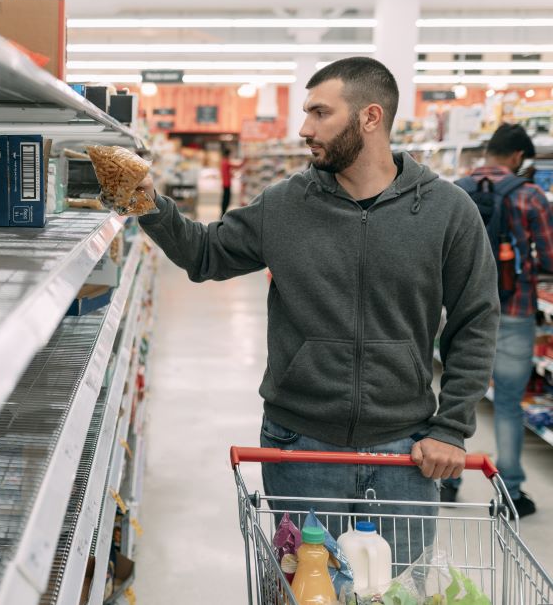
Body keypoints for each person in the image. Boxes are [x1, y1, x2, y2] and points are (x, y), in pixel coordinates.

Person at [135, 57, 499, 567]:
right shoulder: (286, 203)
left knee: (395, 595)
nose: (305, 129)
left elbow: (475, 319)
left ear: (370, 117)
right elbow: (204, 254)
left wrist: (451, 427)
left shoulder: (447, 210)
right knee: (302, 590)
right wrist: (147, 201)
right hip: (300, 442)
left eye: (319, 113)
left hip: (405, 449)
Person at [441, 123, 552, 517]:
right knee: (507, 402)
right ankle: (511, 495)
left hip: (459, 313)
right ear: (520, 157)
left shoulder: (452, 191)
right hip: (514, 311)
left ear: (489, 151)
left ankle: (447, 481)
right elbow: (550, 257)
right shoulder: (531, 197)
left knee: (458, 395)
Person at [219, 147, 242, 216]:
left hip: (225, 183)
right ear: (228, 154)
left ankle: (223, 212)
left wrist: (231, 175)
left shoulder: (223, 161)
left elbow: (227, 172)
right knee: (226, 199)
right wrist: (245, 161)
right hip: (227, 184)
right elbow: (237, 166)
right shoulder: (226, 162)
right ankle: (223, 213)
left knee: (225, 199)